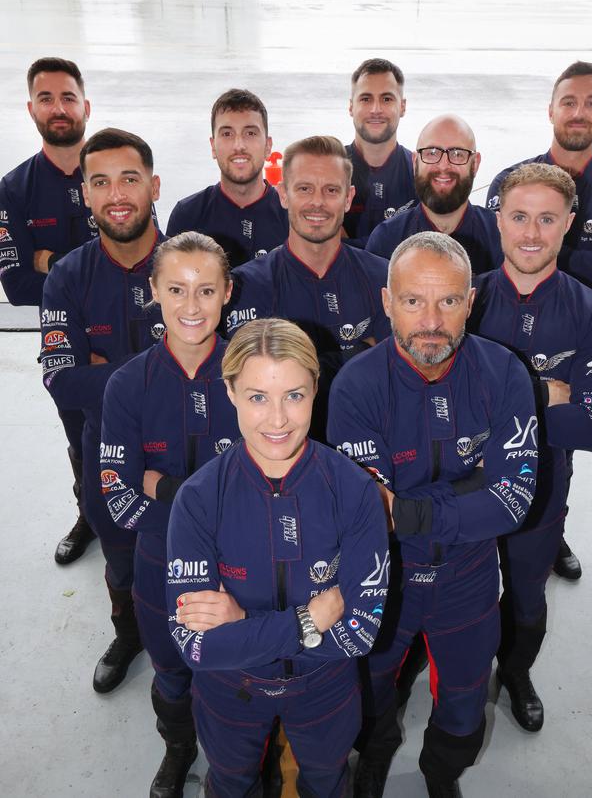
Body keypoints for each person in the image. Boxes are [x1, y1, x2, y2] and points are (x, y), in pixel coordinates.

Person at [327, 232, 538, 798]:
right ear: (387, 302)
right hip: (383, 577)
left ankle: (440, 774)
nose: (431, 321)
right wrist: (470, 491)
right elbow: (372, 515)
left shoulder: (506, 373)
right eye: (414, 301)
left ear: (470, 301)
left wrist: (414, 507)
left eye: (448, 301)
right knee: (369, 686)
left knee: (467, 702)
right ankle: (374, 756)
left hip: (468, 578)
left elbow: (513, 502)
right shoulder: (354, 387)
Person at [167, 318, 389, 798]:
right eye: (257, 397)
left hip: (326, 690)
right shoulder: (199, 498)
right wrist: (307, 621)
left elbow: (359, 635)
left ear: (315, 388)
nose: (278, 420)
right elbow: (197, 649)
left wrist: (241, 621)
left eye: (294, 395)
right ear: (228, 392)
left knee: (328, 782)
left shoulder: (354, 490)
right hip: (230, 692)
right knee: (229, 783)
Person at [468, 163, 592, 732]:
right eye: (519, 217)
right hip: (465, 486)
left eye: (547, 219)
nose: (531, 233)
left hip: (543, 490)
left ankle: (515, 672)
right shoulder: (467, 302)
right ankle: (459, 678)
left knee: (528, 595)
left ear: (568, 225)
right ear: (499, 222)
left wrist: (497, 407)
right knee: (459, 592)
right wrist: (543, 396)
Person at [486, 60, 592, 580]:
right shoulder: (511, 180)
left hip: (580, 329)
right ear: (551, 108)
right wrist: (544, 251)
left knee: (559, 449)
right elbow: (496, 258)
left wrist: (550, 259)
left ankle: (550, 533)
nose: (579, 112)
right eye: (569, 101)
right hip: (509, 315)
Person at [101, 232, 240, 797]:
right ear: (153, 290)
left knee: (237, 670)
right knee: (172, 670)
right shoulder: (127, 385)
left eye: (206, 290)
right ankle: (178, 746)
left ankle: (236, 758)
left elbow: (276, 483)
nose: (191, 306)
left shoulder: (256, 375)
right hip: (160, 567)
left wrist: (166, 488)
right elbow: (116, 494)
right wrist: (206, 515)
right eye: (176, 289)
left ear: (228, 293)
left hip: (243, 565)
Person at [41, 127, 165, 693]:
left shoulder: (193, 264)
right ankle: (129, 633)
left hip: (190, 450)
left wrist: (107, 370)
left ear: (155, 187)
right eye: (101, 182)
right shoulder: (68, 277)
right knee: (119, 555)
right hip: (106, 453)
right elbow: (62, 381)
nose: (117, 194)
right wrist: (162, 371)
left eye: (130, 179)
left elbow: (224, 373)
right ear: (86, 195)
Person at [221, 135, 390, 439]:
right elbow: (248, 386)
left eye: (331, 190)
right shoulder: (246, 286)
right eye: (304, 189)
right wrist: (358, 351)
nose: (317, 202)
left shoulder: (385, 278)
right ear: (283, 194)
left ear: (349, 198)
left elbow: (394, 376)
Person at [0, 57, 97, 565]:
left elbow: (148, 257)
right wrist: (89, 262)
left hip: (131, 335)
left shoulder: (115, 172)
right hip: (64, 344)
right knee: (79, 436)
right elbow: (16, 286)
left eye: (67, 97)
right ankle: (89, 515)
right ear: (30, 108)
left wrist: (48, 258)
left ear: (86, 104)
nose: (58, 109)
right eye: (46, 98)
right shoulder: (12, 190)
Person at [167, 88, 288, 267]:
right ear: (213, 146)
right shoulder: (188, 215)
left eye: (250, 133)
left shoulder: (293, 216)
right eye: (227, 134)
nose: (239, 145)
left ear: (268, 146)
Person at [367, 115, 502, 275]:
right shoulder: (386, 240)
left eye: (457, 154)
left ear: (475, 164)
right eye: (431, 153)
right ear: (415, 162)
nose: (444, 165)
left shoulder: (502, 237)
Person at [344, 58, 417, 247]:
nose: (376, 109)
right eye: (366, 99)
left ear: (402, 106)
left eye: (386, 99)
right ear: (351, 106)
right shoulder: (327, 171)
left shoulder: (421, 173)